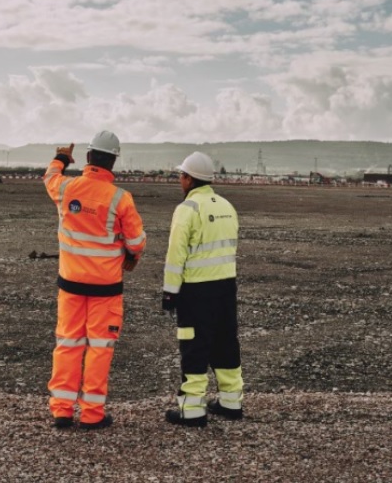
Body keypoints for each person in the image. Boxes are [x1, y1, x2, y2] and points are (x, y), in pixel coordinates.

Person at [43, 130, 146, 430]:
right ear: (113, 161)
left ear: (88, 157)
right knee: (100, 349)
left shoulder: (66, 188)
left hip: (71, 286)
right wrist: (131, 254)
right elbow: (137, 241)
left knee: (68, 344)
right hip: (106, 289)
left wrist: (61, 157)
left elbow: (50, 177)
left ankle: (62, 411)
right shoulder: (120, 198)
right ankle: (91, 414)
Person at [162, 151, 244, 427]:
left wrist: (170, 292)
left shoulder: (188, 209)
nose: (180, 179)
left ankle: (192, 409)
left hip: (196, 291)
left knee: (194, 346)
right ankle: (231, 402)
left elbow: (176, 255)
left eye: (181, 175)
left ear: (188, 178)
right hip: (226, 287)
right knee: (226, 343)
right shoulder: (227, 206)